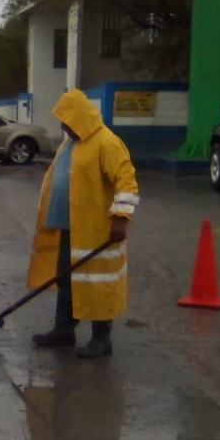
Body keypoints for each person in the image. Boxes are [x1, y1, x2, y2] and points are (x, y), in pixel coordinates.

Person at [29, 89, 139, 358]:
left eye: (66, 120)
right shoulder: (71, 143)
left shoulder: (107, 143)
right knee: (67, 280)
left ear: (79, 118)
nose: (62, 125)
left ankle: (102, 339)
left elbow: (126, 183)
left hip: (96, 231)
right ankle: (63, 330)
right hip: (69, 228)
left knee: (99, 283)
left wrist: (120, 220)